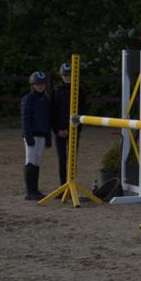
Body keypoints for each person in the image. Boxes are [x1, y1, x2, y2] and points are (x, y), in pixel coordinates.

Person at [20, 71, 55, 201]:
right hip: (32, 134)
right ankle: (30, 191)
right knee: (30, 160)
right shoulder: (28, 99)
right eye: (38, 84)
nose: (40, 86)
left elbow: (48, 119)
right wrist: (28, 136)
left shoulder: (46, 100)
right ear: (33, 85)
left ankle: (35, 189)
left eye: (42, 84)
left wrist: (48, 137)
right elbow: (25, 119)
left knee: (38, 161)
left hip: (42, 134)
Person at [50, 62, 84, 191]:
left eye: (70, 75)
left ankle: (71, 185)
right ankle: (63, 187)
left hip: (74, 130)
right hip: (59, 130)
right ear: (61, 76)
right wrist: (57, 130)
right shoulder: (56, 90)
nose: (67, 77)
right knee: (62, 159)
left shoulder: (80, 90)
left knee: (72, 160)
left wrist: (74, 129)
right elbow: (52, 111)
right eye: (65, 75)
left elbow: (82, 111)